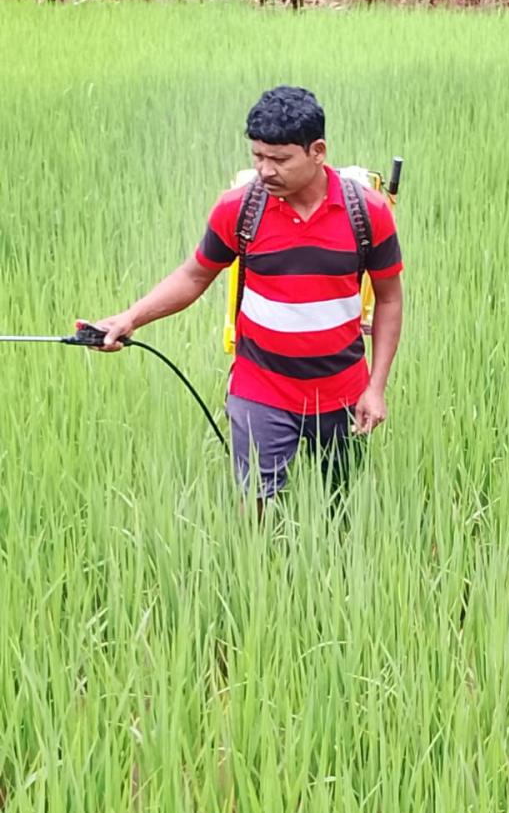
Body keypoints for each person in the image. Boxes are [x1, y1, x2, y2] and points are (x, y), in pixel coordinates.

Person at [82, 86, 404, 506]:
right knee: (256, 505)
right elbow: (194, 275)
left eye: (280, 159)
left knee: (341, 504)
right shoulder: (240, 209)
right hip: (261, 388)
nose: (265, 170)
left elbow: (389, 299)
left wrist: (376, 388)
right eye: (258, 156)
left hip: (342, 390)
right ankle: (259, 552)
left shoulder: (367, 212)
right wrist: (130, 318)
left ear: (318, 151)